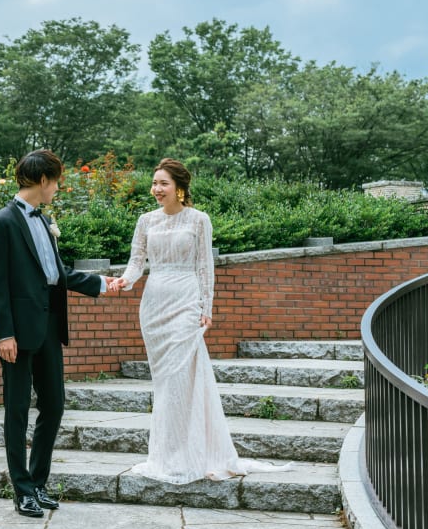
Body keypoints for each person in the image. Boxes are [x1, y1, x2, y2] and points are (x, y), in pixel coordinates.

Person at [108, 158, 291, 483]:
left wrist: (206, 307)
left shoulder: (198, 220)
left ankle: (192, 455)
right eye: (154, 183)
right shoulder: (146, 220)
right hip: (154, 305)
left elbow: (205, 268)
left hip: (186, 302)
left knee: (184, 380)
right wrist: (125, 280)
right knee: (165, 384)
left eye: (163, 183)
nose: (156, 189)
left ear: (179, 187)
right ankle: (167, 457)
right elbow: (137, 261)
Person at [0, 149, 111, 517]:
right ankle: (21, 490)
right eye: (56, 181)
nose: (58, 188)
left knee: (53, 406)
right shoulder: (1, 222)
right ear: (43, 181)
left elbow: (57, 274)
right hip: (17, 335)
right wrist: (2, 334)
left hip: (50, 329)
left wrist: (103, 284)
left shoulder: (45, 221)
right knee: (17, 411)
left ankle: (38, 484)